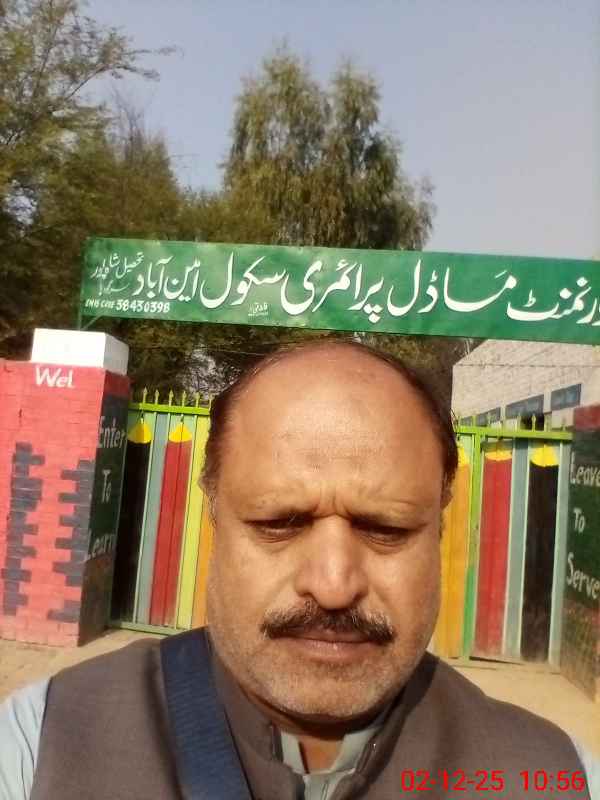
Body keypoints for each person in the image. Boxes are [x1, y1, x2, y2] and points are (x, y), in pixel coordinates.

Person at [0, 339, 598, 800]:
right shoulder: (42, 746)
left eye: (387, 529)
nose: (334, 585)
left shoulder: (557, 776)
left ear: (439, 534)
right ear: (214, 521)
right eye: (279, 523)